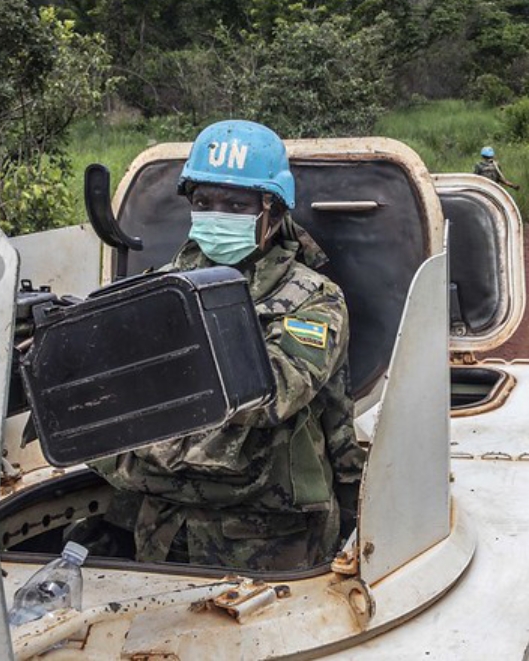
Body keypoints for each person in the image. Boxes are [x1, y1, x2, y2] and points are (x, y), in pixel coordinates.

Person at [88, 120, 364, 570]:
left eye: (236, 204)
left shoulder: (313, 298)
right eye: (204, 202)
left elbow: (270, 395)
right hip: (162, 525)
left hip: (267, 537)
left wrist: (149, 373)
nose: (217, 214)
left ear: (272, 210)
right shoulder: (158, 287)